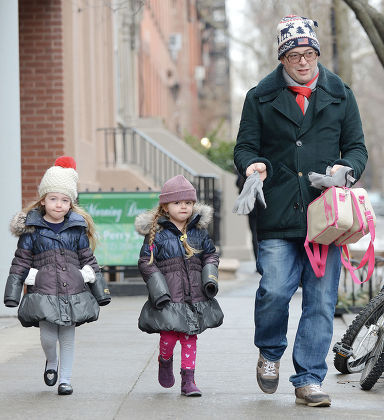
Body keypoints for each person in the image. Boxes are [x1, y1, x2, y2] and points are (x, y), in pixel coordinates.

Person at [234, 15, 367, 407]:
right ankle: (270, 352)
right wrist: (253, 166)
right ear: (282, 58)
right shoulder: (259, 96)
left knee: (322, 302)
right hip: (276, 212)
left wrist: (348, 171)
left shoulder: (341, 93)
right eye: (295, 55)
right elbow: (244, 148)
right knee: (274, 290)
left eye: (309, 54)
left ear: (317, 54)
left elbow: (357, 148)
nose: (303, 62)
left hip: (326, 217)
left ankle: (309, 378)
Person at [4, 156, 111, 395]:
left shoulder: (77, 229)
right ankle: (51, 361)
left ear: (71, 204)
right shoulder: (32, 230)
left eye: (65, 200)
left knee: (68, 338)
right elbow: (20, 260)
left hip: (72, 291)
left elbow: (88, 259)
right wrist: (13, 292)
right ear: (43, 200)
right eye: (53, 199)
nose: (59, 204)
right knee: (48, 337)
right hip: (44, 291)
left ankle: (65, 379)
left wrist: (101, 290)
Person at [135, 175, 224, 397]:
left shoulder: (199, 232)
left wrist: (210, 276)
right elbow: (146, 262)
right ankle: (165, 360)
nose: (183, 207)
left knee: (189, 337)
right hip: (168, 295)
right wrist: (158, 289)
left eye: (188, 202)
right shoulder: (157, 234)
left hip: (194, 295)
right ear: (165, 206)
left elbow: (210, 255)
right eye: (177, 202)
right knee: (168, 336)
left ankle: (189, 380)